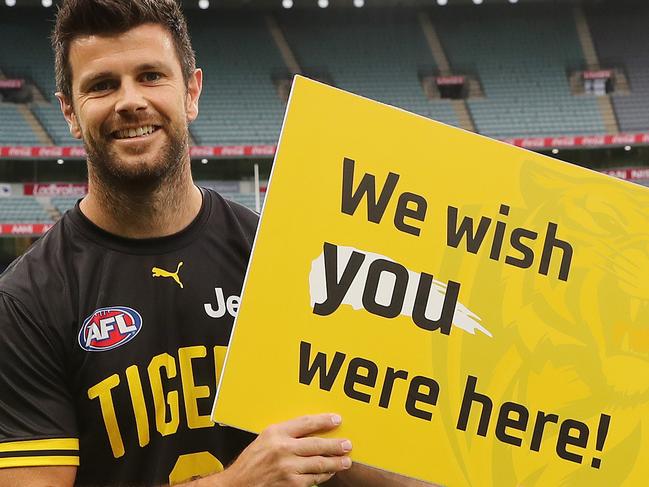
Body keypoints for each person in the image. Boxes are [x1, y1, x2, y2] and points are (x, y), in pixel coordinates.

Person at [0, 1, 440, 486]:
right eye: (102, 85)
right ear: (69, 111)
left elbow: (345, 448)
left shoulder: (274, 255)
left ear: (192, 92)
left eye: (151, 76)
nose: (130, 100)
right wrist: (238, 483)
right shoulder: (28, 301)